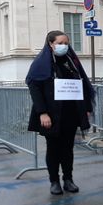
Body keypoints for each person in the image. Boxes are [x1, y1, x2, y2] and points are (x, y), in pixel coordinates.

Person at [26, 30, 95, 195]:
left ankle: (68, 179)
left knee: (68, 148)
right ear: (51, 44)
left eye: (66, 43)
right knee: (53, 149)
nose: (64, 46)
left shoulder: (71, 62)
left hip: (70, 113)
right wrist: (42, 113)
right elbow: (35, 88)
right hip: (51, 114)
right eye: (60, 43)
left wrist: (86, 108)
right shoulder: (41, 63)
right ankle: (54, 181)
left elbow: (82, 85)